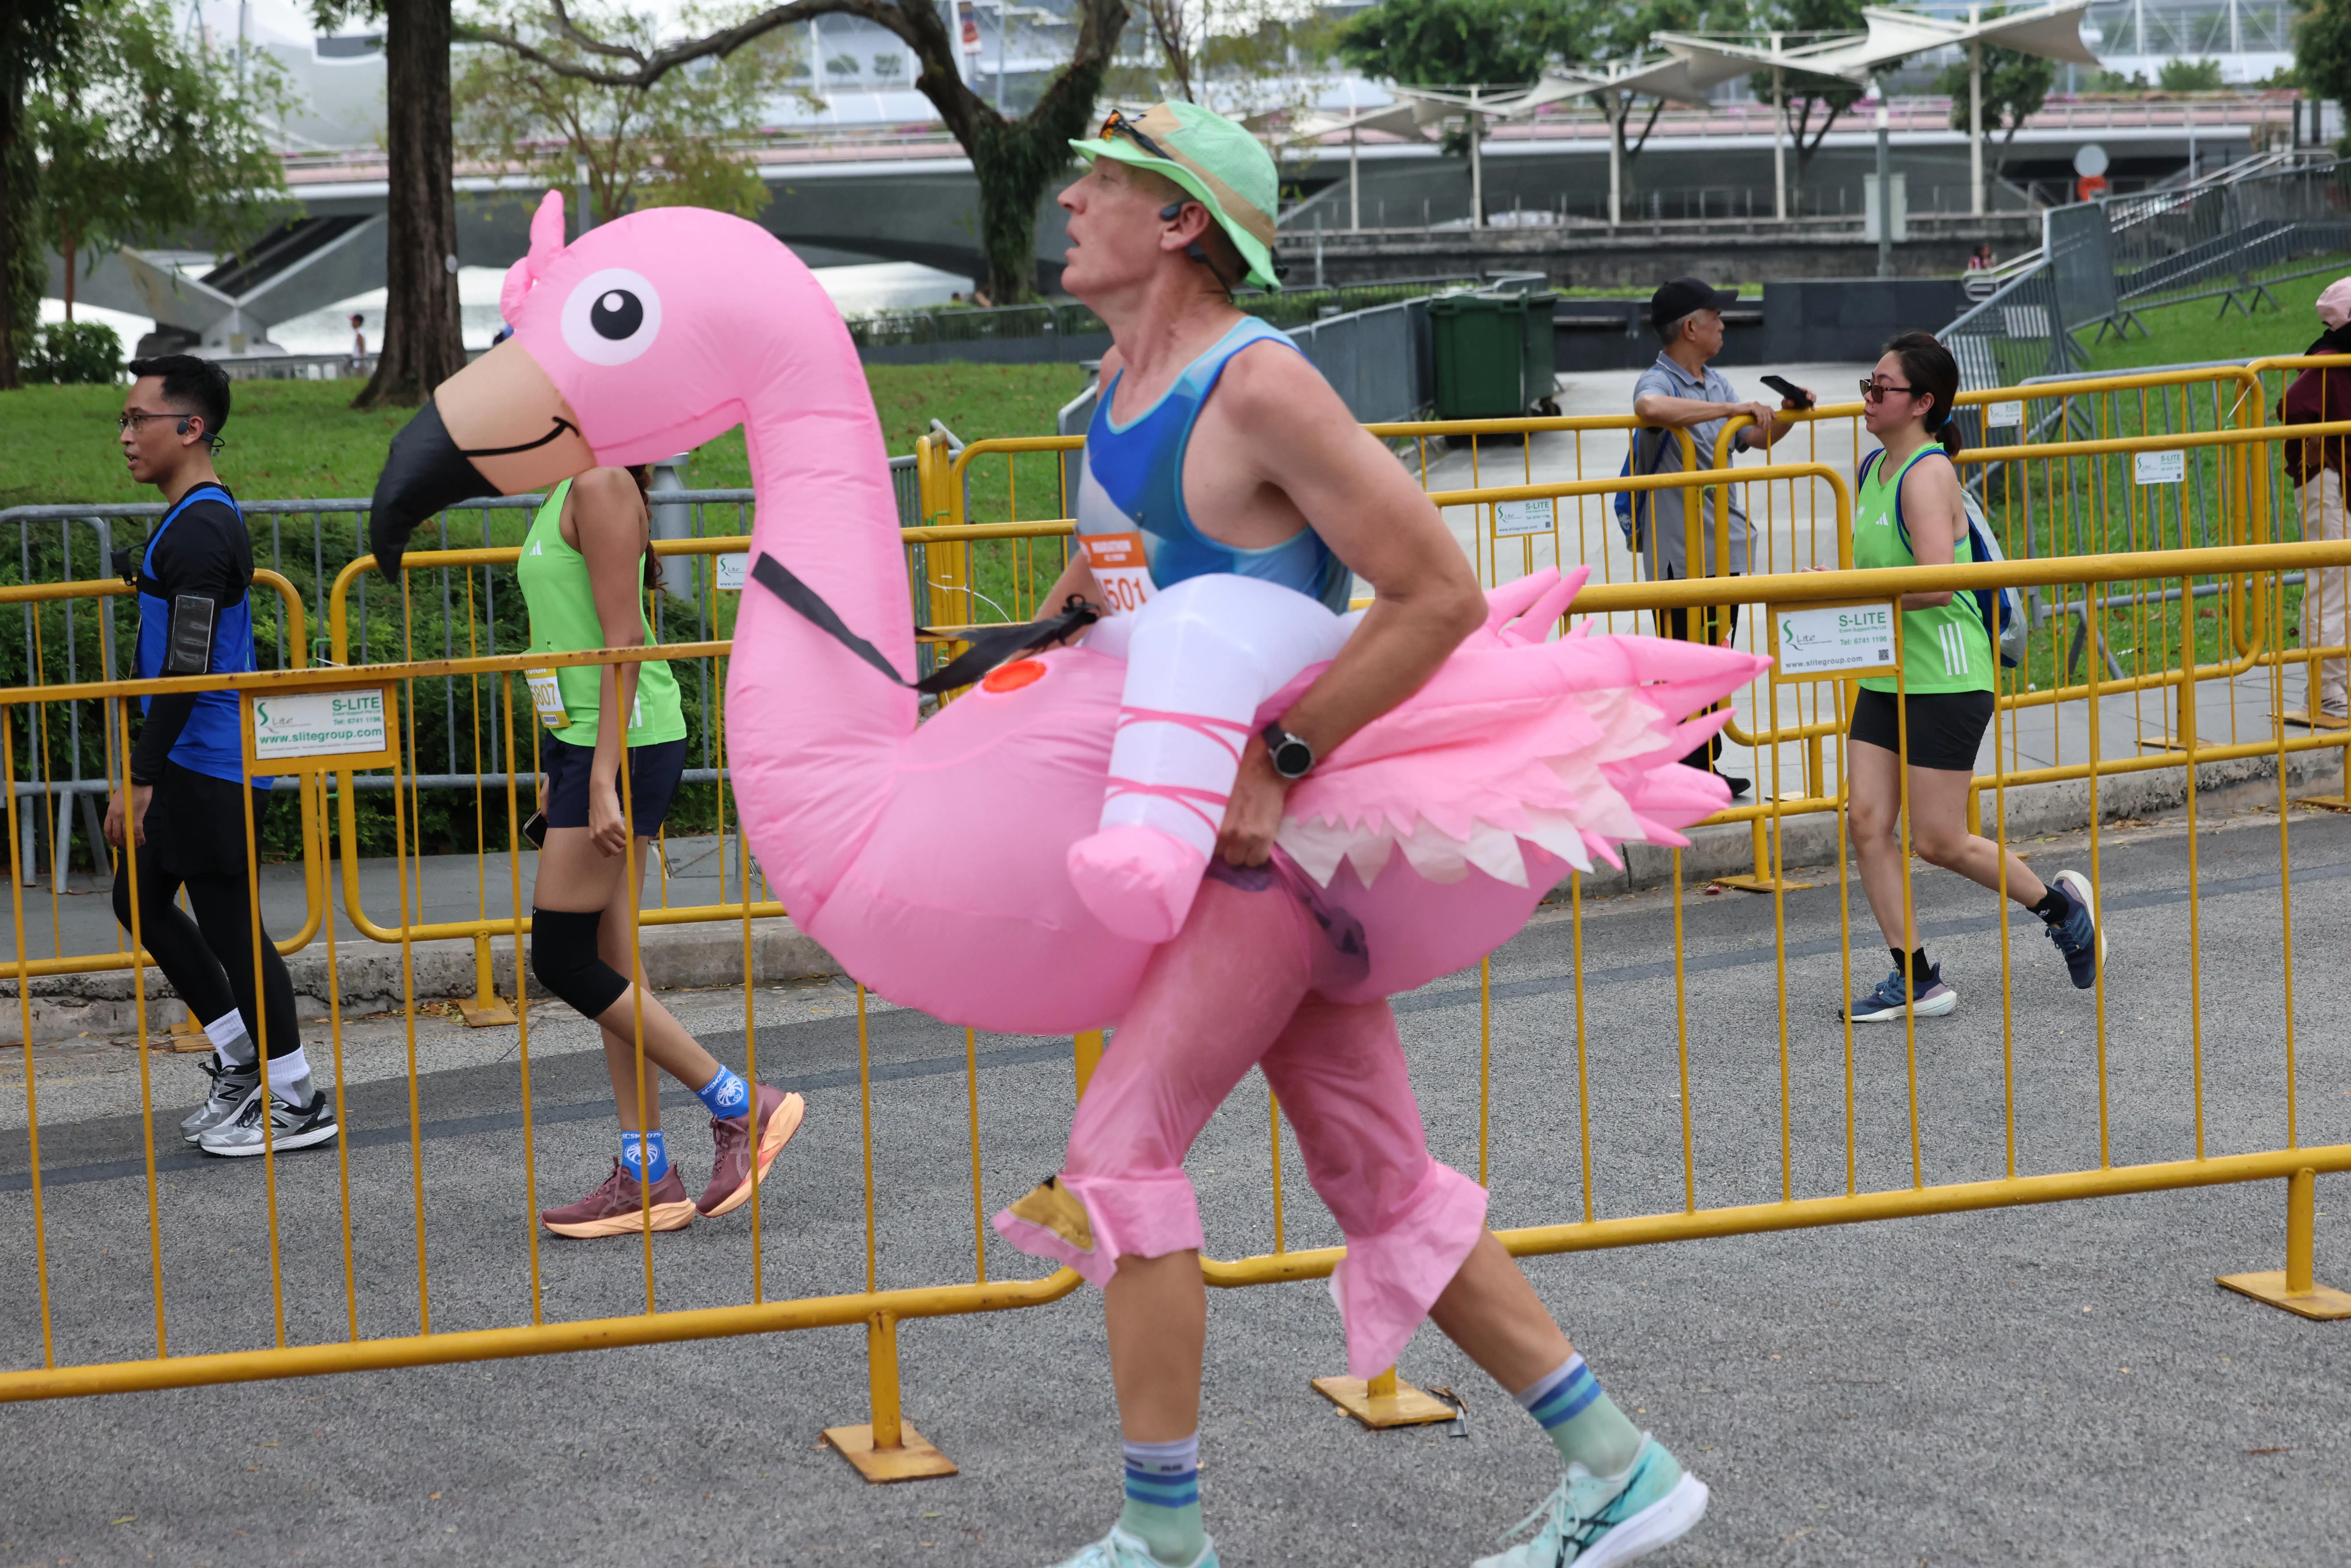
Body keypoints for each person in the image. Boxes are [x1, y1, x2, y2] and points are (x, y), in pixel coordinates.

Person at [1007, 101, 1710, 1568]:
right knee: (1380, 1181)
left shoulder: (1255, 386)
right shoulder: (1121, 387)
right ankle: (1621, 1466)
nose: (1071, 201)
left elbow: (1437, 590)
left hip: (1267, 853)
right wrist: (1037, 649)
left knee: (1119, 1150)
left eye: (1103, 184)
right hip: (1217, 841)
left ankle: (1163, 1539)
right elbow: (1143, 599)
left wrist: (1280, 754)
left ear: (1180, 222)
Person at [521, 465, 805, 1237]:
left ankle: (745, 1106)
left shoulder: (604, 482)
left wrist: (603, 779)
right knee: (613, 967)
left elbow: (625, 643)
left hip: (623, 743)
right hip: (586, 741)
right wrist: (563, 766)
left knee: (563, 958)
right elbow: (572, 636)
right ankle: (646, 1173)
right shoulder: (569, 483)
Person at [1838, 331, 2104, 1022]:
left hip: (1946, 673)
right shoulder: (1872, 468)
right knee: (1866, 821)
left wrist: (1844, 593)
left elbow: (1934, 582)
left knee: (1938, 839)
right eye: (1868, 384)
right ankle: (1914, 975)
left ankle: (2060, 909)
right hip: (1887, 669)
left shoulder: (1928, 473)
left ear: (1923, 403)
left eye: (1881, 388)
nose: (1868, 398)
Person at [108, 355, 336, 1157]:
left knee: (234, 930)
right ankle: (243, 1060)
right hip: (186, 757)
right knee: (137, 901)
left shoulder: (203, 528)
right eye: (126, 420)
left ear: (191, 427)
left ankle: (300, 1097)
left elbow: (190, 662)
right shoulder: (187, 521)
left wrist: (140, 776)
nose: (127, 435)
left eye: (141, 419)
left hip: (213, 762)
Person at [1629, 278, 1809, 798]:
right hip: (1681, 554)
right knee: (1682, 662)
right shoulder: (1657, 380)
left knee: (1714, 656)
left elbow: (1754, 439)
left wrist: (1789, 414)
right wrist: (1730, 412)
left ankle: (1704, 764)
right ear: (1691, 327)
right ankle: (1681, 769)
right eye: (1717, 317)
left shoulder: (1715, 382)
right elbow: (1651, 412)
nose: (1724, 325)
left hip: (1721, 547)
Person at [2279, 277, 2351, 732]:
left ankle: (2337, 685)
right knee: (2330, 582)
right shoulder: (2328, 363)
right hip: (2327, 477)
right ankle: (2326, 692)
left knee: (2342, 584)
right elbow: (2292, 406)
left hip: (2341, 477)